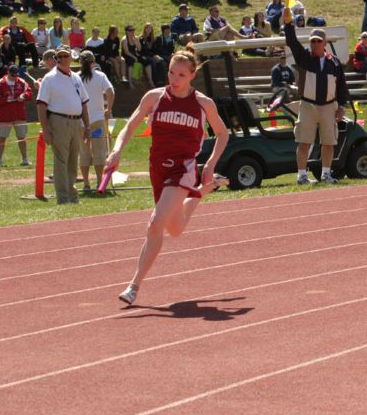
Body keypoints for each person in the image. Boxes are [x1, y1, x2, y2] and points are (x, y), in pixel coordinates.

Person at [110, 50, 230, 305]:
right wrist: (117, 151)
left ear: (192, 76)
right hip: (157, 167)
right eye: (172, 73)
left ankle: (134, 286)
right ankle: (201, 193)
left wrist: (209, 164)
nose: (175, 79)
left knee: (155, 223)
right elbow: (129, 126)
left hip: (183, 168)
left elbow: (223, 134)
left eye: (182, 75)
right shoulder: (154, 98)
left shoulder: (202, 103)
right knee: (174, 229)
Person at [282, 6, 348, 185]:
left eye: (318, 41)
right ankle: (301, 176)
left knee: (328, 142)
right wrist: (288, 23)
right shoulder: (304, 58)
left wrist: (341, 107)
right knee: (304, 141)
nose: (315, 43)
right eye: (313, 41)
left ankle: (326, 174)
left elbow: (341, 86)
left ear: (325, 42)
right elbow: (292, 41)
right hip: (308, 105)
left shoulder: (334, 62)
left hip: (329, 106)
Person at [36, 45, 90, 204]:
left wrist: (87, 127)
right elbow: (41, 104)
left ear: (71, 57)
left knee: (73, 161)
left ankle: (72, 196)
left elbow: (84, 103)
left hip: (76, 122)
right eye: (59, 57)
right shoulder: (49, 78)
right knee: (61, 161)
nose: (63, 59)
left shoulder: (76, 77)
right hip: (58, 121)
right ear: (56, 59)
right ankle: (63, 197)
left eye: (66, 56)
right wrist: (45, 129)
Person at [77, 50, 114, 192]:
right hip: (97, 120)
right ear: (93, 61)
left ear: (80, 62)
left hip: (81, 122)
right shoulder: (100, 76)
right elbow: (111, 92)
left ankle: (86, 183)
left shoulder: (75, 77)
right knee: (99, 152)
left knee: (84, 152)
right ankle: (99, 182)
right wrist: (108, 109)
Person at [0, 65, 32, 167]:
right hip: (5, 116)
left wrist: (24, 96)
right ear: (8, 73)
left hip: (19, 114)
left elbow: (29, 93)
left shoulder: (21, 82)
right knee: (2, 138)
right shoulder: (0, 83)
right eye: (13, 75)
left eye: (16, 75)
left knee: (22, 138)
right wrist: (5, 99)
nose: (15, 77)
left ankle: (25, 159)